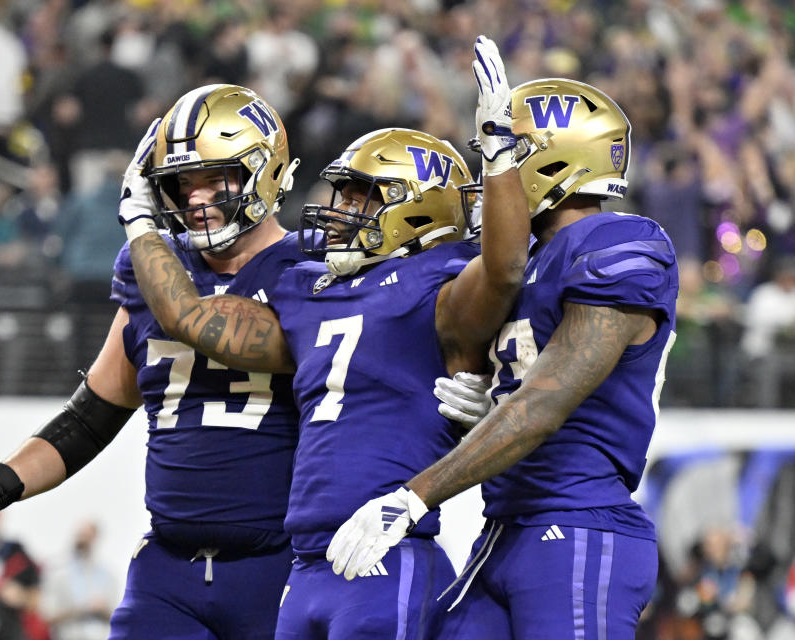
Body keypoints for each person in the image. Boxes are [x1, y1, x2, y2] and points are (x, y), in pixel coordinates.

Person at [121, 36, 529, 639]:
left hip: (388, 549)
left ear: (419, 208)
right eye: (342, 191)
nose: (339, 208)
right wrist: (144, 225)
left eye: (364, 195)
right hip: (307, 562)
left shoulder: (436, 287)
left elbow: (505, 271)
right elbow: (191, 319)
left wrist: (499, 157)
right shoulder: (309, 289)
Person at [0, 84, 306, 640]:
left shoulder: (311, 269)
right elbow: (91, 416)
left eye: (215, 178)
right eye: (183, 183)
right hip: (169, 567)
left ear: (265, 170)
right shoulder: (152, 269)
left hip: (281, 563)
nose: (197, 198)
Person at [327, 75, 680, 639]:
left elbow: (544, 403)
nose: (494, 176)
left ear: (555, 163)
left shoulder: (617, 241)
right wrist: (489, 396)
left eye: (508, 155)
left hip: (579, 524)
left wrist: (413, 497)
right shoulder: (524, 262)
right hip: (505, 527)